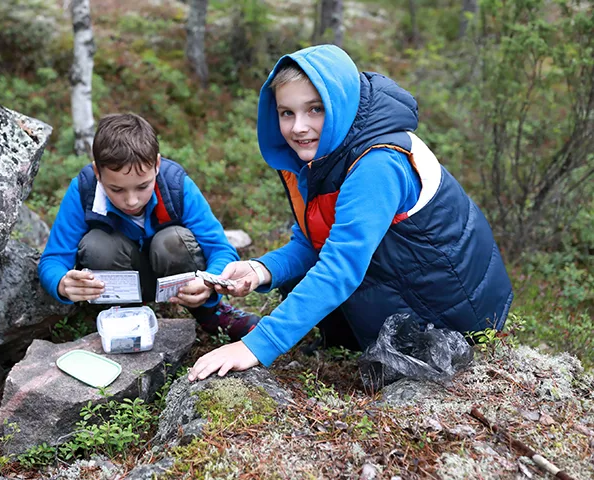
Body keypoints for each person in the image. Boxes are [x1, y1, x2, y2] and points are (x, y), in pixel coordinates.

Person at [188, 44, 514, 381]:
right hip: (405, 283)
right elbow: (311, 242)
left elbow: (341, 265)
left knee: (327, 276)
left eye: (315, 109)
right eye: (287, 113)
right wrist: (260, 270)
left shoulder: (377, 164)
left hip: (453, 315)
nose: (299, 127)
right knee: (295, 277)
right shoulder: (326, 153)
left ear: (341, 102)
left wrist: (255, 346)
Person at [38, 113, 260, 340]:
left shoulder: (175, 185)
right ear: (98, 173)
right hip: (119, 285)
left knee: (173, 241)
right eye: (116, 189)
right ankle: (125, 317)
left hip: (176, 280)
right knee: (97, 245)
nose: (131, 201)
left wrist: (208, 282)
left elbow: (221, 250)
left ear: (156, 165)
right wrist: (62, 284)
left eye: (142, 186)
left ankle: (210, 313)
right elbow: (53, 260)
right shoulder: (84, 190)